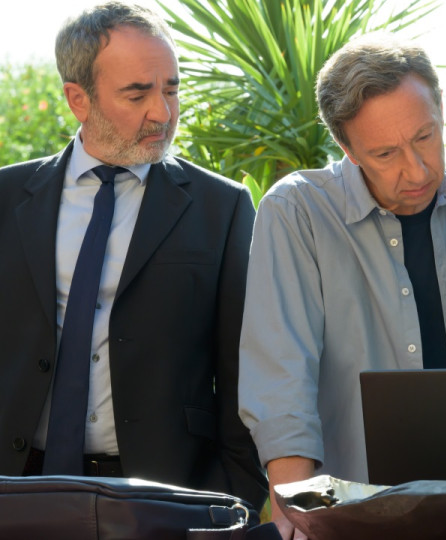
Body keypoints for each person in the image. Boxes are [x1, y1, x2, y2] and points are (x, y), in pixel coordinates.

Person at [238, 36, 446, 539]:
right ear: (346, 148)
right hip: (355, 514)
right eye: (385, 153)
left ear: (441, 109)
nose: (417, 169)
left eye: (425, 136)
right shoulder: (296, 211)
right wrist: (297, 515)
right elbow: (281, 379)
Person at [0, 1, 267, 508]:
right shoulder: (6, 198)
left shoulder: (223, 207)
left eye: (171, 88)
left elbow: (245, 370)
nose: (162, 113)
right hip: (16, 483)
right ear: (78, 99)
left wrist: (236, 496)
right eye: (137, 93)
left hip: (166, 493)